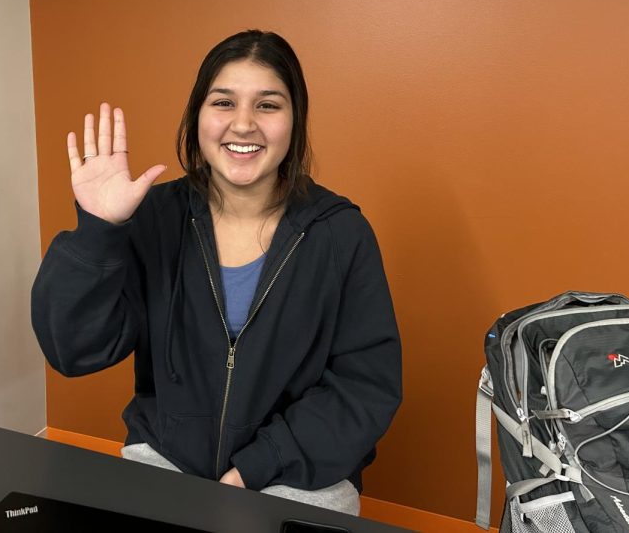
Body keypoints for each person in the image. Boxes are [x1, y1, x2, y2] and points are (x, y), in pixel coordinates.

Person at [31, 30, 401, 516]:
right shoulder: (154, 218)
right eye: (224, 102)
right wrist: (100, 230)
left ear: (295, 121)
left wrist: (256, 466)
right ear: (198, 117)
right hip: (167, 458)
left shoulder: (341, 235)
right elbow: (73, 350)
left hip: (299, 471)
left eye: (268, 105)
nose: (243, 124)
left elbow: (365, 385)